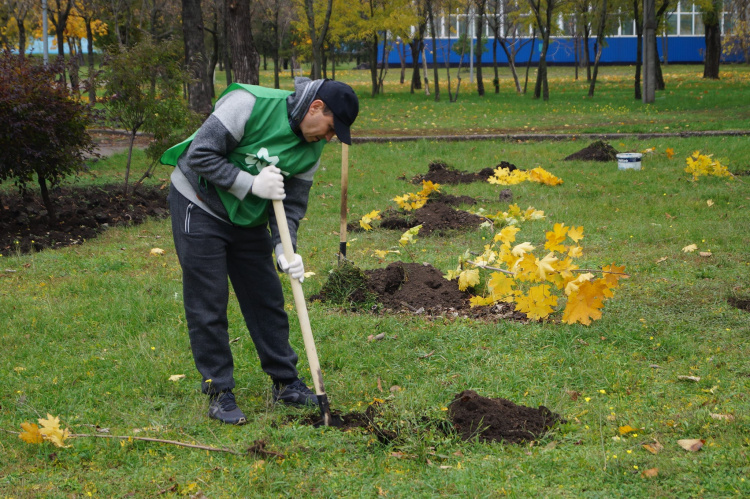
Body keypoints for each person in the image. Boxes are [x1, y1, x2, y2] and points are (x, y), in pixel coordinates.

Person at [160, 78, 359, 425]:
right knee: (208, 300)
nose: (329, 139)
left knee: (266, 298)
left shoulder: (311, 148)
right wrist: (250, 183)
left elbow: (292, 205)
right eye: (330, 128)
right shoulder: (247, 104)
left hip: (247, 218)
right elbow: (199, 153)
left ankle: (286, 383)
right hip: (200, 202)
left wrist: (285, 249)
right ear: (315, 108)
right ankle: (219, 392)